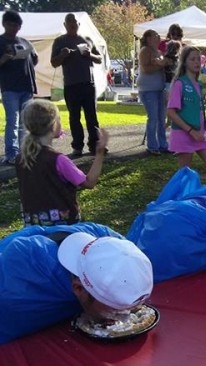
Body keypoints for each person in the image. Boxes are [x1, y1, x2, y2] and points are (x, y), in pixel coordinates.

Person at [0, 223, 153, 344]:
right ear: (79, 288)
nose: (124, 318)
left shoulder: (108, 239)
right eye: (116, 312)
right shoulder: (21, 286)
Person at [15, 99, 108, 227]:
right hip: (62, 229)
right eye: (58, 119)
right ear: (53, 125)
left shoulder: (21, 158)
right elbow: (89, 182)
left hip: (34, 227)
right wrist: (100, 152)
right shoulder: (58, 160)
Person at [50, 13, 103, 157]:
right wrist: (62, 55)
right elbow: (54, 63)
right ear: (65, 25)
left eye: (75, 23)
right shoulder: (59, 41)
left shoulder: (86, 39)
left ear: (79, 25)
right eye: (69, 24)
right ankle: (77, 146)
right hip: (71, 84)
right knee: (74, 117)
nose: (72, 26)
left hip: (88, 83)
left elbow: (99, 59)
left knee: (92, 116)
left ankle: (95, 145)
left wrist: (89, 55)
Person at [167, 46, 206, 173]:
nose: (197, 62)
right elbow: (171, 112)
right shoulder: (180, 83)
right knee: (185, 173)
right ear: (184, 62)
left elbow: (197, 109)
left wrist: (205, 123)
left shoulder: (199, 84)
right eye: (192, 59)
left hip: (200, 133)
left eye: (198, 59)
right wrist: (191, 131)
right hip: (184, 134)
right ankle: (183, 193)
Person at [0, 10, 38, 165]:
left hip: (27, 85)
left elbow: (34, 59)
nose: (14, 27)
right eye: (11, 24)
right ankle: (11, 154)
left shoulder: (24, 41)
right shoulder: (0, 42)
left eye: (17, 25)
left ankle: (24, 152)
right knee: (13, 121)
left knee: (25, 121)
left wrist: (33, 56)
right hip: (10, 87)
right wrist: (3, 59)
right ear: (4, 24)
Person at [138, 29, 171, 155]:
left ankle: (163, 144)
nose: (158, 37)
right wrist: (161, 65)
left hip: (159, 88)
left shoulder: (158, 51)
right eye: (155, 35)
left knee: (161, 117)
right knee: (153, 118)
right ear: (149, 38)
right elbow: (146, 68)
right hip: (148, 89)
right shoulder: (145, 50)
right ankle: (152, 145)